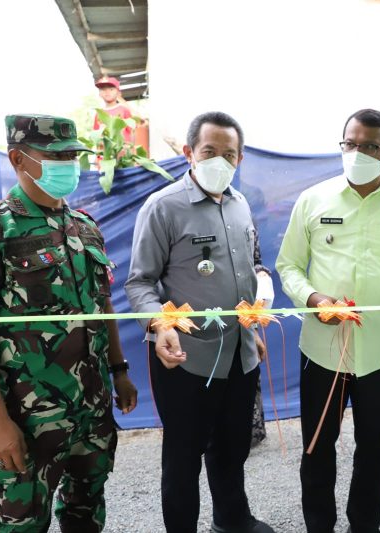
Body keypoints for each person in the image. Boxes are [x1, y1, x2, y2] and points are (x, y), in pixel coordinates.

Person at [0, 114, 137, 532]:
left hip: (90, 412)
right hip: (27, 417)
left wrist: (119, 370)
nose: (67, 164)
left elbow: (103, 307)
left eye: (72, 154)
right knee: (22, 524)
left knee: (86, 513)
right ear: (17, 158)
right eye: (54, 156)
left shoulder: (86, 228)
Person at [276, 108, 380, 533]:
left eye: (370, 146)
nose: (358, 152)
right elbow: (289, 265)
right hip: (322, 349)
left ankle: (364, 526)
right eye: (351, 143)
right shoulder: (314, 198)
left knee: (372, 449)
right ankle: (320, 527)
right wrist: (313, 298)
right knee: (317, 447)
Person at [125, 111, 274, 533]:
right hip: (186, 357)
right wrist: (160, 325)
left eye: (230, 154)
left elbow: (248, 271)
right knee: (183, 457)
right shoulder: (163, 207)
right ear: (190, 152)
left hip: (239, 354)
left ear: (240, 159)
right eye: (210, 151)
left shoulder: (242, 206)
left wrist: (253, 326)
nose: (220, 162)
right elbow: (140, 283)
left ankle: (231, 520)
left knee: (233, 447)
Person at [92, 76, 134, 144]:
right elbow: (96, 136)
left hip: (121, 151)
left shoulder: (124, 110)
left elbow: (131, 132)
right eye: (103, 89)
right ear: (99, 93)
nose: (107, 92)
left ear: (118, 93)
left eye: (111, 89)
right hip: (105, 152)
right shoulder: (99, 113)